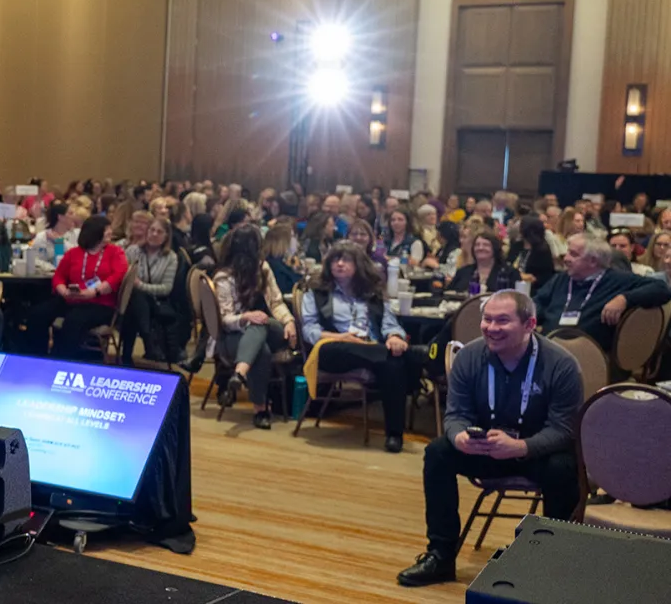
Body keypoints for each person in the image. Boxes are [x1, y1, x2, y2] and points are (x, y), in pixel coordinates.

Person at [396, 291, 584, 587]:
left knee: (564, 467)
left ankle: (552, 563)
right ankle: (441, 556)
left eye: (502, 320)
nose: (491, 327)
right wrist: (459, 437)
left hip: (537, 453)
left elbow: (564, 430)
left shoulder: (561, 364)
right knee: (438, 452)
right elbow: (456, 413)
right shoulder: (469, 356)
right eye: (487, 319)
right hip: (487, 449)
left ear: (529, 324)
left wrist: (522, 447)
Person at [299, 241, 415, 453]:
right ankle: (416, 358)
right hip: (332, 348)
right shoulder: (317, 293)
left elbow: (389, 324)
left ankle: (394, 436)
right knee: (393, 358)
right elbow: (309, 330)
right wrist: (340, 336)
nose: (340, 264)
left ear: (358, 265)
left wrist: (395, 337)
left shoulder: (372, 294)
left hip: (370, 348)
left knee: (393, 362)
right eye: (336, 259)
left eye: (346, 260)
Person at [214, 224, 298, 429]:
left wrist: (289, 321)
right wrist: (245, 317)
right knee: (262, 350)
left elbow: (276, 302)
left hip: (272, 329)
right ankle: (260, 409)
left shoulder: (264, 269)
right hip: (235, 335)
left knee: (261, 322)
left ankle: (240, 373)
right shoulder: (223, 278)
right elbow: (224, 319)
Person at [534, 233, 670, 348]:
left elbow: (661, 288)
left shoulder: (617, 280)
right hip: (550, 348)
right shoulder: (561, 279)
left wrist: (624, 299)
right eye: (568, 252)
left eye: (573, 254)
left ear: (593, 261)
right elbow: (538, 302)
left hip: (594, 357)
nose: (566, 259)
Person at [50, 215, 130, 362]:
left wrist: (95, 291)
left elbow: (118, 275)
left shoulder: (115, 252)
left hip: (100, 302)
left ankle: (62, 361)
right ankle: (36, 355)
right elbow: (59, 276)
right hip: (72, 298)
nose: (110, 232)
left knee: (73, 320)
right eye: (106, 229)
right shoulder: (74, 253)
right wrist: (63, 291)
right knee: (39, 314)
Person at [121, 217, 179, 365]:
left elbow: (166, 289)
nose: (154, 234)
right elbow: (123, 280)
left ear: (166, 236)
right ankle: (147, 338)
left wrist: (140, 285)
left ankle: (127, 355)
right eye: (152, 230)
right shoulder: (133, 251)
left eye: (159, 232)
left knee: (136, 298)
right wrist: (135, 286)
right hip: (128, 301)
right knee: (135, 300)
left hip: (155, 303)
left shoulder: (171, 257)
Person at [447, 230, 520, 295]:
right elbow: (449, 293)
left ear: (495, 248)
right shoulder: (463, 272)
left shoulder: (510, 273)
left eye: (486, 245)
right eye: (477, 245)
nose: (480, 248)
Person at [29, 202, 77, 274]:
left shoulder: (76, 234)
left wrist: (59, 242)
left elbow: (77, 256)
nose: (74, 216)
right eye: (70, 213)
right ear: (60, 217)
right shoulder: (42, 237)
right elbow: (33, 259)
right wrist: (51, 269)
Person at [511, 214, 556, 289]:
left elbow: (547, 275)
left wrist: (533, 279)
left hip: (533, 288)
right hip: (514, 283)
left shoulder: (542, 251)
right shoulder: (516, 246)